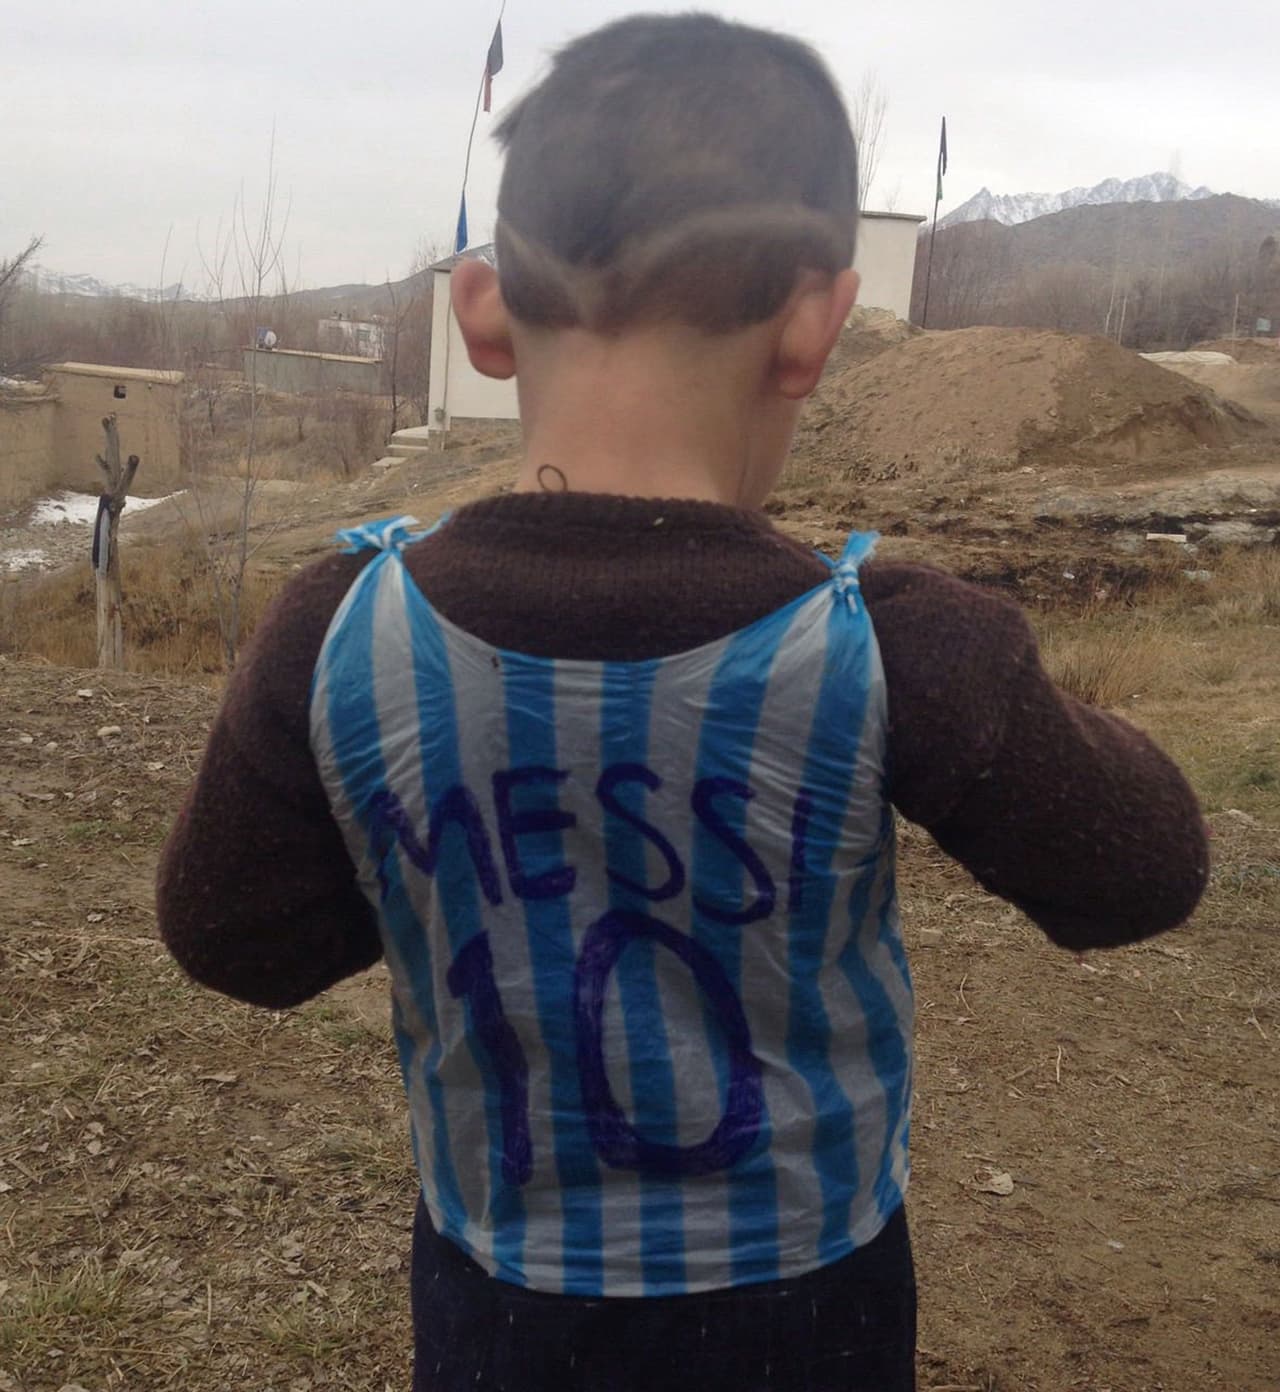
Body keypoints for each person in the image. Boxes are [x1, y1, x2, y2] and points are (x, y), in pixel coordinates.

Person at [157, 14, 1209, 1391]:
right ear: (813, 327)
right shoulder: (894, 644)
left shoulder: (337, 630)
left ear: (480, 311)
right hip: (807, 1309)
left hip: (497, 1301)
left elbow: (234, 940)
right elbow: (1146, 872)